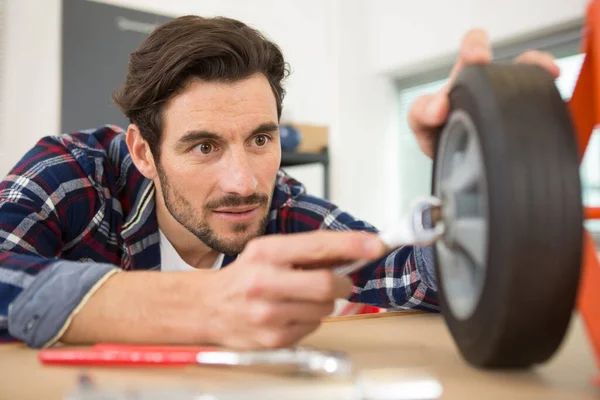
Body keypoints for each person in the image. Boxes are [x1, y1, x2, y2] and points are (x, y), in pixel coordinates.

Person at [0, 16, 559, 349]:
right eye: (204, 146)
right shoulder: (71, 174)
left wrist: (479, 182)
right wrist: (200, 305)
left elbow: (406, 274)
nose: (245, 182)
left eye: (260, 140)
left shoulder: (279, 205)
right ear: (143, 151)